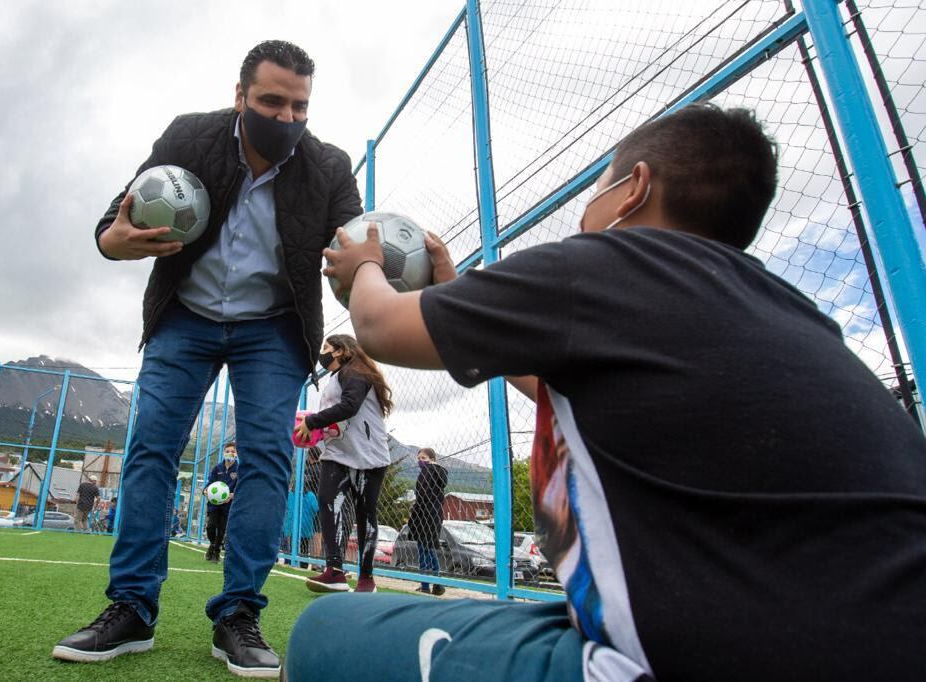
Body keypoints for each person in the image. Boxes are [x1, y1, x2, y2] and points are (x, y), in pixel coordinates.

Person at [286, 103, 926, 681]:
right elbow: (567, 388)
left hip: (698, 661)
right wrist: (456, 287)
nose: (586, 212)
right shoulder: (795, 313)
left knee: (322, 640)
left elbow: (379, 327)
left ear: (633, 189)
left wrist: (365, 265)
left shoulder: (603, 267)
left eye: (597, 190)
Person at [52, 39, 362, 679]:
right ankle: (132, 607)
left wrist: (376, 277)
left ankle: (238, 615)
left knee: (269, 460)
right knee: (151, 449)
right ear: (240, 96)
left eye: (299, 106)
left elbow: (354, 251)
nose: (286, 118)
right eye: (272, 102)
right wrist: (119, 242)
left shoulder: (329, 167)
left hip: (273, 328)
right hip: (184, 317)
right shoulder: (188, 138)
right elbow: (112, 226)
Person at [295, 334, 392, 594]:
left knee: (365, 514)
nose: (322, 352)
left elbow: (349, 406)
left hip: (368, 456)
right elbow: (336, 420)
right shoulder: (333, 379)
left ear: (339, 350)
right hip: (337, 453)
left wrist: (312, 422)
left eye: (326, 347)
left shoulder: (356, 373)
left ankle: (366, 578)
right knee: (328, 504)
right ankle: (335, 571)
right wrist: (314, 431)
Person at [408, 447, 447, 595]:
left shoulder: (427, 471)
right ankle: (437, 584)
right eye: (419, 458)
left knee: (423, 551)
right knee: (429, 548)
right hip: (435, 516)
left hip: (424, 516)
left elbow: (422, 493)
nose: (420, 461)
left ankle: (426, 586)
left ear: (432, 459)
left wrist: (416, 505)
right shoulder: (440, 474)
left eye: (423, 458)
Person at [204, 442, 240, 563]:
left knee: (222, 529)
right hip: (214, 504)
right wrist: (206, 490)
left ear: (236, 454)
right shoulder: (217, 468)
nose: (230, 453)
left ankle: (217, 552)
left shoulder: (239, 470)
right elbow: (210, 483)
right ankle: (213, 545)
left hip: (228, 505)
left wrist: (233, 495)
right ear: (224, 453)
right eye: (228, 451)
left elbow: (240, 486)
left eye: (233, 451)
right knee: (210, 527)